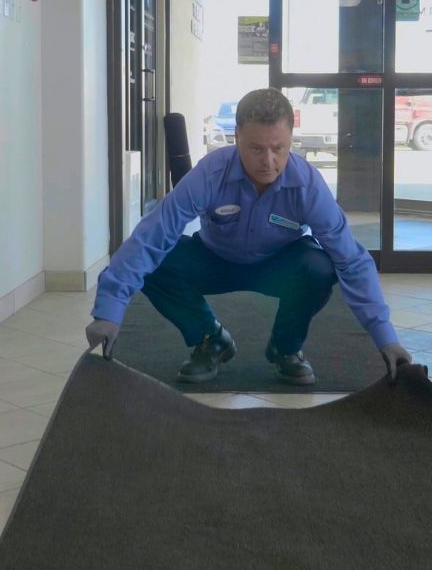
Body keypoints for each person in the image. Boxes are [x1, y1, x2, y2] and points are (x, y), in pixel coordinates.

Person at [86, 88, 411, 385]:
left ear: (291, 141)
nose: (268, 161)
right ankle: (209, 340)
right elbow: (153, 234)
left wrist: (386, 338)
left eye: (278, 149)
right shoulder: (210, 174)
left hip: (279, 266)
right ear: (236, 137)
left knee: (319, 267)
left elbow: (351, 259)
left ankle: (286, 349)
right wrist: (109, 312)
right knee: (158, 261)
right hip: (214, 259)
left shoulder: (308, 185)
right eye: (256, 148)